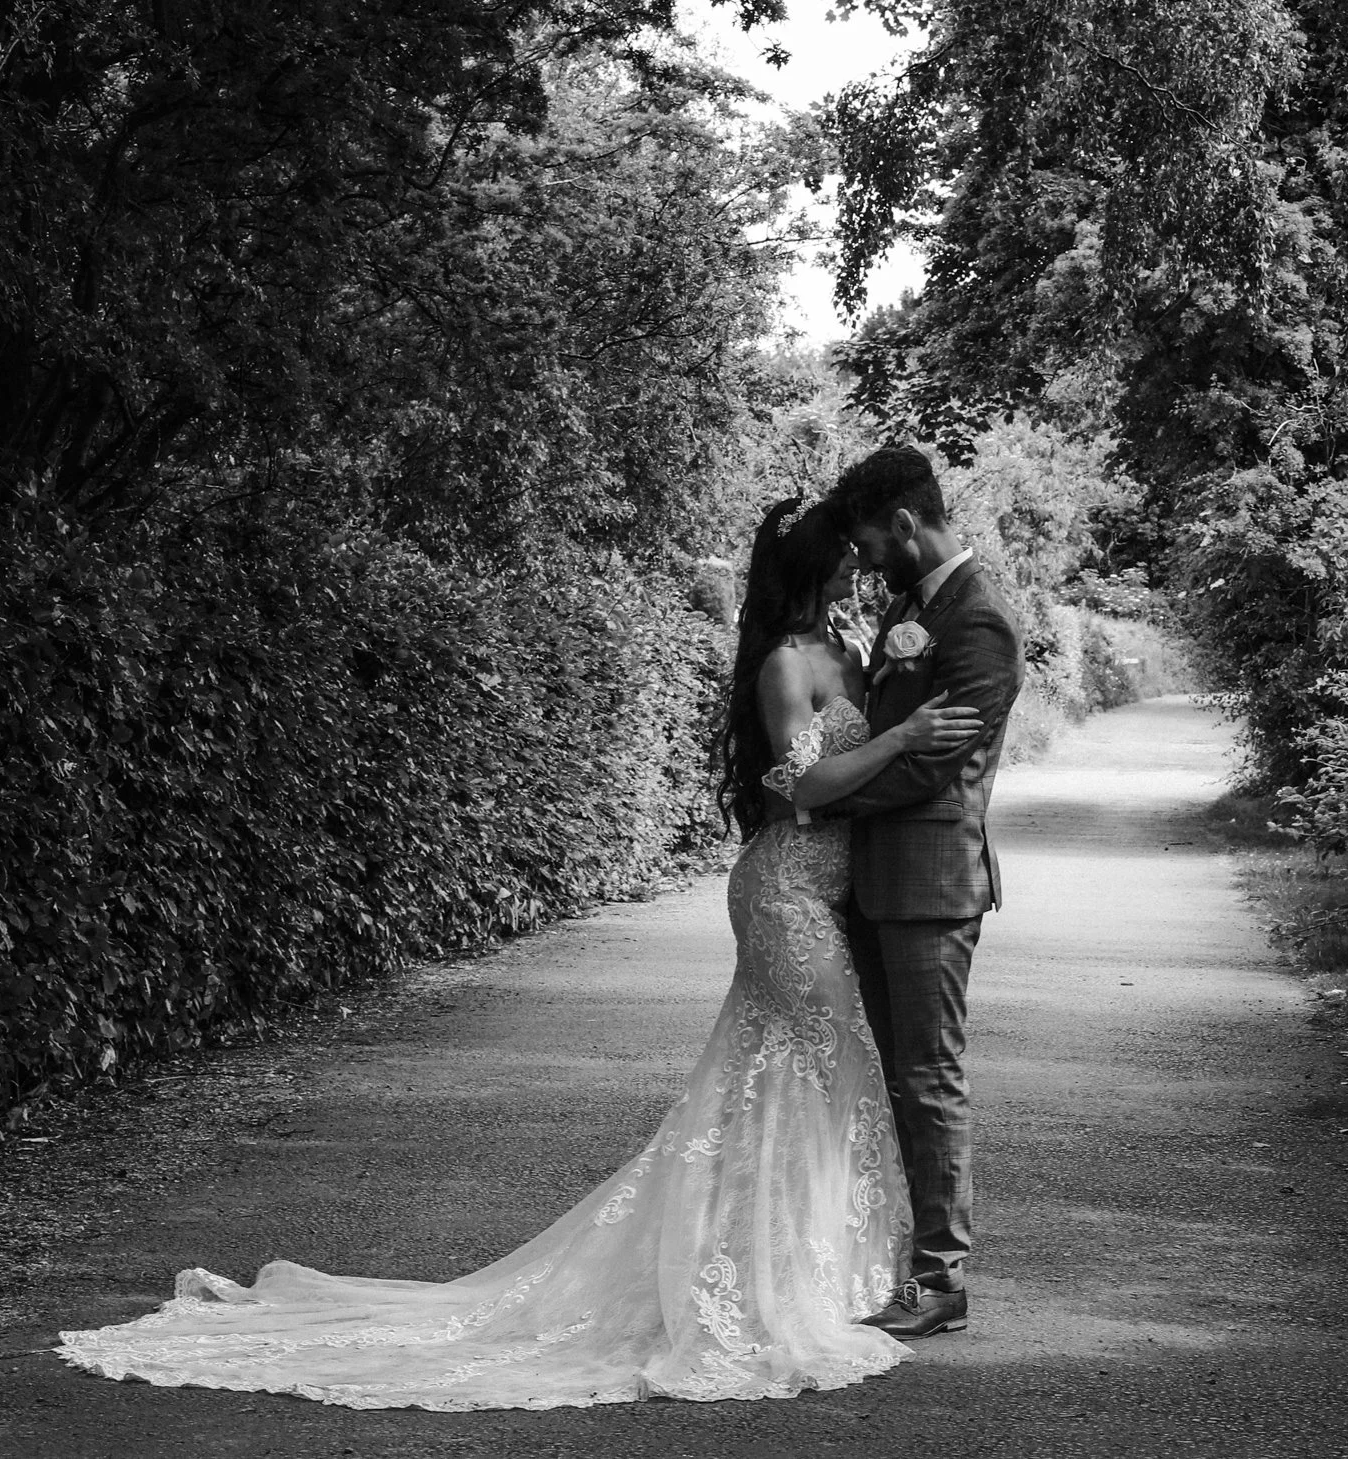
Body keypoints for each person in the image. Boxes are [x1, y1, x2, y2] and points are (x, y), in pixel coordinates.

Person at [53, 497, 982, 1410]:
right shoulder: (785, 661)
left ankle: (802, 1263)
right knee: (801, 1071)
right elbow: (794, 787)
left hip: (829, 891)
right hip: (786, 893)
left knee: (813, 1077)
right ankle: (756, 1280)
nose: (862, 564)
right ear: (815, 567)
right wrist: (900, 736)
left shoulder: (855, 646)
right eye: (846, 555)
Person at [820, 444, 1024, 1341]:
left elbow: (937, 763)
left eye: (869, 543)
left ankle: (942, 1278)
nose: (863, 562)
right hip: (875, 877)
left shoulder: (979, 621)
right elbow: (887, 723)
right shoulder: (910, 604)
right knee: (896, 1077)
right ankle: (902, 1258)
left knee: (928, 1076)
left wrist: (815, 796)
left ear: (906, 524)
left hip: (932, 880)